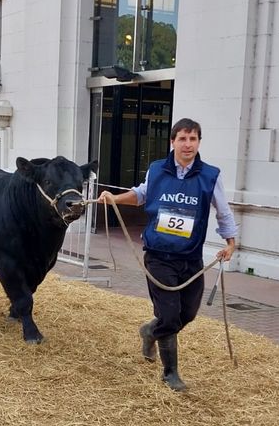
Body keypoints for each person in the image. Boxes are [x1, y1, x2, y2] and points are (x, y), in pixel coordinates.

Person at [98, 117, 237, 392]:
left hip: (190, 258)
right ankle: (170, 373)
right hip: (159, 255)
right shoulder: (157, 170)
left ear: (198, 142)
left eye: (193, 139)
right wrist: (115, 198)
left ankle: (150, 331)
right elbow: (141, 194)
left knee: (188, 314)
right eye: (182, 139)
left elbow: (223, 211)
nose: (188, 144)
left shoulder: (211, 175)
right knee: (171, 316)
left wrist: (231, 242)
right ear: (172, 142)